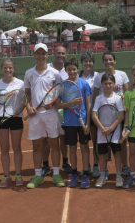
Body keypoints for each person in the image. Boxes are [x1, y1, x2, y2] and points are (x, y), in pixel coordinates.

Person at [24, 43, 66, 188]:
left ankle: (56, 174)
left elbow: (58, 93)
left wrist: (53, 103)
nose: (41, 56)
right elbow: (26, 94)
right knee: (37, 146)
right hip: (35, 116)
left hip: (51, 114)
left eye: (43, 54)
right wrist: (28, 108)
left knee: (54, 144)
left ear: (47, 55)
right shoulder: (29, 73)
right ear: (34, 55)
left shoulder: (55, 73)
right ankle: (37, 176)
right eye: (38, 53)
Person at [56, 58, 92, 189]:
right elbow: (58, 105)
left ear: (78, 69)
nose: (72, 71)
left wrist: (87, 122)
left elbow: (88, 104)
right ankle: (75, 174)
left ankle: (86, 173)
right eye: (69, 69)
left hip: (82, 122)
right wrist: (71, 103)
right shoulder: (63, 86)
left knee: (84, 148)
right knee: (72, 148)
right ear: (66, 70)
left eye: (74, 69)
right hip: (69, 123)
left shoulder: (84, 84)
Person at [93, 52, 130, 176]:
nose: (108, 62)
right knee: (104, 144)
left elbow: (128, 92)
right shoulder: (99, 77)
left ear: (115, 61)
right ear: (103, 62)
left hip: (119, 113)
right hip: (104, 115)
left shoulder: (122, 75)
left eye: (110, 59)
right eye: (105, 60)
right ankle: (105, 170)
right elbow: (96, 95)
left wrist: (122, 98)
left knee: (121, 142)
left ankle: (124, 167)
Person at [0, 59, 25, 188]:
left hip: (16, 119)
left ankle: (18, 174)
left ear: (14, 68)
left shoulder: (20, 84)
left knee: (17, 148)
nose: (8, 70)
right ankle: (6, 175)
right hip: (1, 119)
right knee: (4, 149)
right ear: (2, 69)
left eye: (10, 67)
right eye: (5, 68)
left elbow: (25, 100)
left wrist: (20, 109)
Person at [92, 74, 125, 188]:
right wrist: (102, 128)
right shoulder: (98, 98)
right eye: (105, 83)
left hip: (115, 132)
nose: (108, 85)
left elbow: (121, 115)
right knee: (102, 155)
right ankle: (102, 176)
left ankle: (118, 176)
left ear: (114, 84)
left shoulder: (118, 98)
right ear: (102, 84)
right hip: (102, 132)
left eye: (110, 83)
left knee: (117, 154)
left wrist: (111, 128)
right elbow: (94, 115)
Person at [45, 46, 70, 175]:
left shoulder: (69, 70)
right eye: (58, 53)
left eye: (63, 53)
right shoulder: (47, 68)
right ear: (53, 54)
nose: (60, 55)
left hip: (65, 109)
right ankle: (45, 165)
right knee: (47, 138)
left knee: (63, 137)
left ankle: (65, 163)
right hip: (49, 110)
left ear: (66, 55)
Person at [79, 52, 100, 177]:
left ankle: (96, 166)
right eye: (85, 61)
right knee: (84, 142)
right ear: (82, 63)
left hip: (95, 114)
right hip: (82, 115)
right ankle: (87, 167)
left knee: (96, 140)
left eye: (90, 61)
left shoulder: (97, 76)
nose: (88, 63)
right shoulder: (77, 77)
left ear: (93, 63)